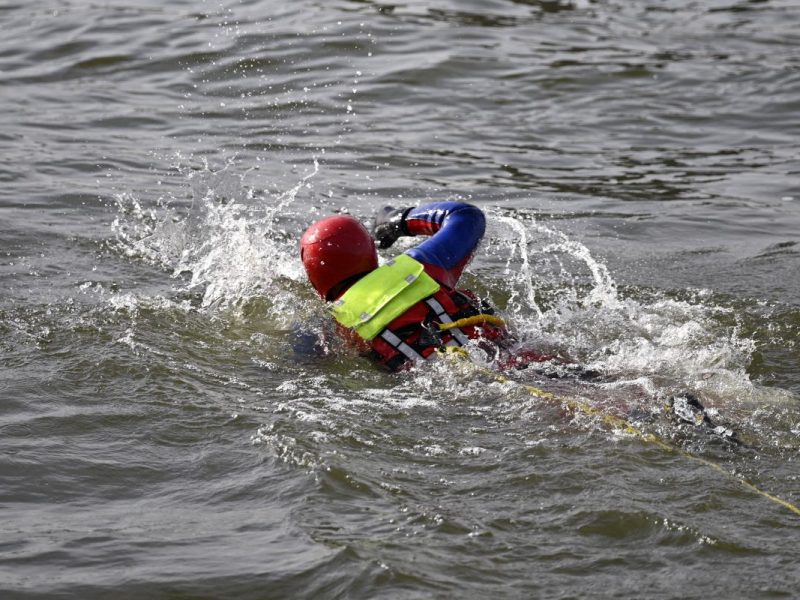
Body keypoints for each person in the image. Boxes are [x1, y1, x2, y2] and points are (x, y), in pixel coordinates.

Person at [299, 201, 556, 371]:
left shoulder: (333, 326)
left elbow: (306, 369)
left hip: (452, 386)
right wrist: (398, 221)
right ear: (368, 251)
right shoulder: (419, 267)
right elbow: (466, 217)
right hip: (521, 358)